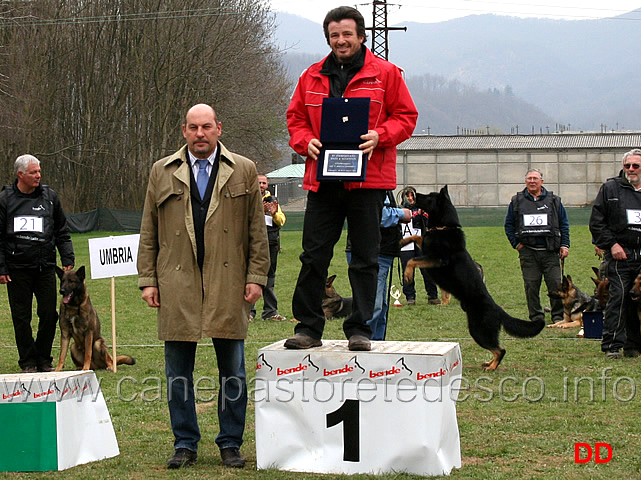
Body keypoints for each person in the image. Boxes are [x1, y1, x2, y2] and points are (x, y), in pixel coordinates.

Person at [137, 104, 270, 469]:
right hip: (176, 283)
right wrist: (148, 280)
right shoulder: (161, 172)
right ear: (184, 131)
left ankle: (230, 443)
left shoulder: (243, 169)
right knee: (177, 372)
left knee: (234, 371)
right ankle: (185, 443)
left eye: (206, 127)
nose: (200, 134)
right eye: (193, 128)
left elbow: (257, 232)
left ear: (218, 129)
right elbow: (149, 230)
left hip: (228, 282)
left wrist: (256, 277)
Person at [284, 6, 418, 352]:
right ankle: (308, 327)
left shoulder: (387, 74)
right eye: (334, 35)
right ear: (328, 39)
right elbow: (295, 119)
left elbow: (406, 117)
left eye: (347, 34)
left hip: (368, 183)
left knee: (365, 258)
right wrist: (304, 141)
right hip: (323, 181)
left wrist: (381, 136)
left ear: (361, 36)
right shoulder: (310, 77)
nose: (341, 41)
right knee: (313, 257)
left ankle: (360, 328)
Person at [0, 154, 74, 373]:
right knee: (21, 317)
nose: (38, 176)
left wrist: (67, 257)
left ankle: (43, 358)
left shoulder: (49, 197)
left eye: (39, 171)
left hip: (45, 267)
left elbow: (62, 230)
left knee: (49, 314)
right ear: (20, 174)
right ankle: (28, 361)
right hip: (17, 269)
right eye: (33, 172)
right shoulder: (5, 199)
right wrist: (2, 268)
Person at [589, 148, 641, 359]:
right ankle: (612, 345)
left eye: (635, 165)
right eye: (627, 165)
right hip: (620, 253)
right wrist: (611, 245)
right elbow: (597, 222)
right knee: (618, 297)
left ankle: (633, 345)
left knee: (635, 300)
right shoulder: (610, 189)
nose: (630, 169)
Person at [505, 168, 570, 327]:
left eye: (535, 178)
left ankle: (557, 316)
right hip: (528, 252)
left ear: (542, 181)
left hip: (550, 251)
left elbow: (564, 224)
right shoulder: (516, 201)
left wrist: (565, 245)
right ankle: (536, 316)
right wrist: (517, 245)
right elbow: (509, 225)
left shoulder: (554, 200)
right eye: (529, 179)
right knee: (531, 286)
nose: (532, 181)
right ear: (525, 181)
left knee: (555, 285)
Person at [250, 174, 287, 322]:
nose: (261, 185)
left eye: (264, 183)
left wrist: (273, 213)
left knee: (269, 277)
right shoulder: (248, 199)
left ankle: (270, 312)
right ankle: (249, 313)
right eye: (258, 182)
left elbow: (281, 221)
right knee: (250, 277)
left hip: (270, 243)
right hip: (251, 243)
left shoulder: (273, 201)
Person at [399, 187, 441, 305]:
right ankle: (410, 297)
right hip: (406, 246)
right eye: (408, 196)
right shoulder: (400, 210)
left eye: (412, 196)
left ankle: (432, 295)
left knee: (427, 270)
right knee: (407, 271)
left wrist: (423, 215)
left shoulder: (422, 210)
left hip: (420, 244)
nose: (410, 198)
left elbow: (429, 224)